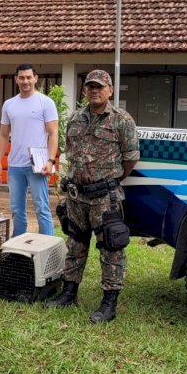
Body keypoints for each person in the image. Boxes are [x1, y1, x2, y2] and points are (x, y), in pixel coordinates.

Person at [47, 69, 140, 323]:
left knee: (111, 247)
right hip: (77, 196)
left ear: (110, 90)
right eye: (90, 86)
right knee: (75, 244)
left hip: (105, 198)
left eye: (100, 86)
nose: (95, 90)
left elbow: (131, 157)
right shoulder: (76, 118)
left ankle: (109, 303)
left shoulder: (121, 120)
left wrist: (110, 180)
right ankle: (69, 293)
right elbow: (71, 153)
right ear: (85, 90)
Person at [0, 63, 59, 236]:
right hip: (15, 165)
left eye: (29, 77)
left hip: (37, 165)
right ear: (16, 79)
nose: (25, 81)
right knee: (17, 210)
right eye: (22, 77)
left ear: (36, 78)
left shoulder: (45, 103)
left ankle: (47, 246)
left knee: (41, 208)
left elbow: (53, 133)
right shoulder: (9, 104)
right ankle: (18, 245)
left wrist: (50, 160)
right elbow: (3, 134)